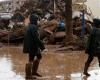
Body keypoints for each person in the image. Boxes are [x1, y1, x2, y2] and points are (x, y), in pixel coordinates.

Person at [23, 13, 45, 79]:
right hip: (32, 46)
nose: (38, 21)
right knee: (31, 60)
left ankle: (34, 72)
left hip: (33, 45)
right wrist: (42, 46)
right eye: (37, 20)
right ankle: (28, 75)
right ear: (34, 20)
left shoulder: (30, 26)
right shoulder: (33, 27)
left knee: (39, 57)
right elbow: (36, 38)